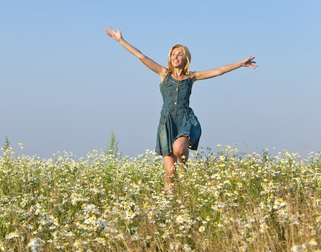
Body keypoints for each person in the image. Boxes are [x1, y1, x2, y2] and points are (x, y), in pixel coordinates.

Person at [105, 26, 257, 193]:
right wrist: (121, 41)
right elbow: (142, 57)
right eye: (173, 54)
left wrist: (241, 63)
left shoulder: (192, 77)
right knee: (169, 175)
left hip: (184, 119)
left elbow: (218, 71)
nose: (175, 57)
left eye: (179, 54)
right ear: (170, 58)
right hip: (167, 122)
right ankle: (171, 205)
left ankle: (184, 170)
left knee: (179, 148)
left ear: (185, 59)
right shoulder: (163, 73)